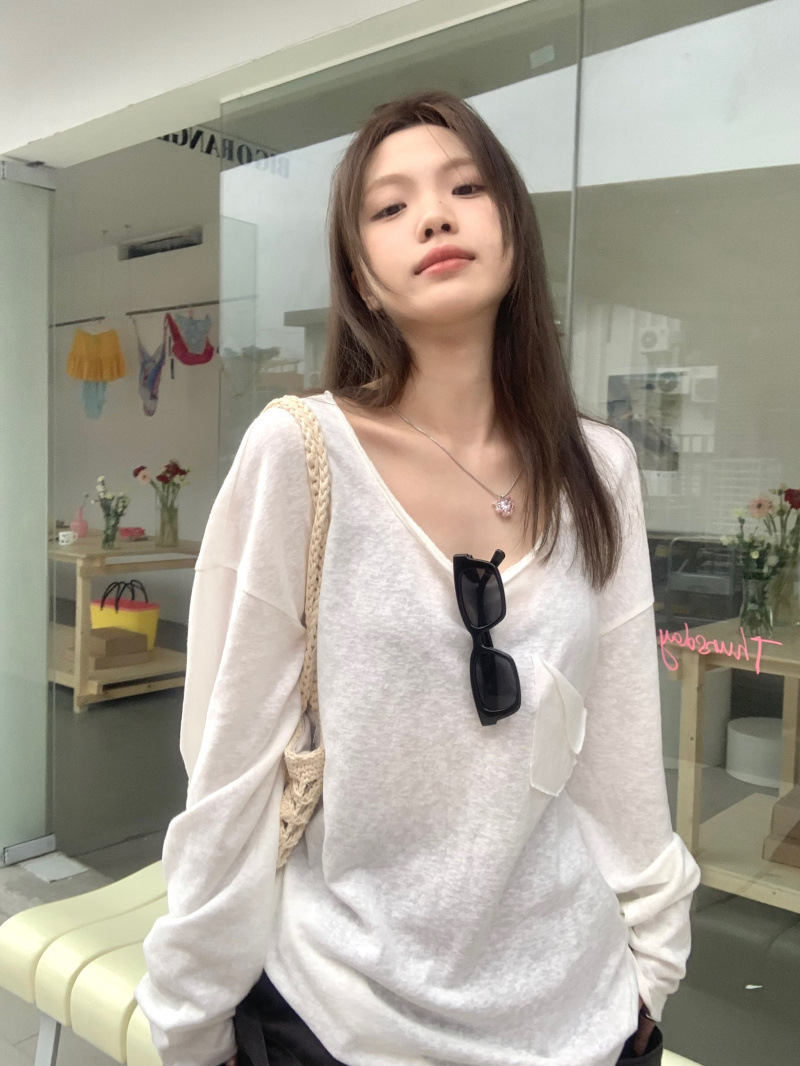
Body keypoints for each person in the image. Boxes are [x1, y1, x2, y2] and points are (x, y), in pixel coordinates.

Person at [135, 89, 701, 1066]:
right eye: (389, 206)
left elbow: (616, 739)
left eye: (464, 187)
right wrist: (190, 1016)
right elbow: (230, 769)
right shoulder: (300, 452)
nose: (432, 216)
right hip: (341, 1015)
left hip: (580, 1015)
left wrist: (651, 964)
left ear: (512, 227)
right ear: (360, 272)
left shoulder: (598, 467)